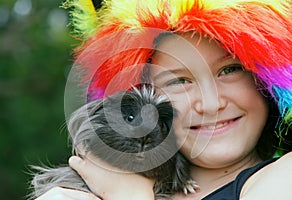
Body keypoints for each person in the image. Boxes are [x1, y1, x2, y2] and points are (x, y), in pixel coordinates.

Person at [35, 0, 292, 199]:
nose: (211, 104)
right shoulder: (90, 185)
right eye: (179, 81)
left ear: (267, 78)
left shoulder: (283, 178)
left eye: (230, 70)